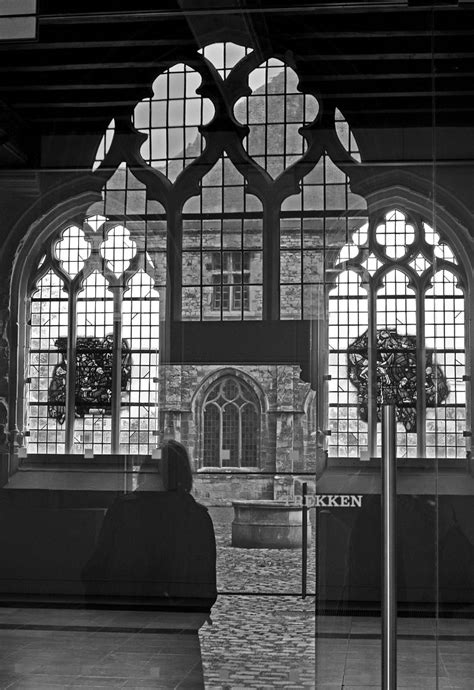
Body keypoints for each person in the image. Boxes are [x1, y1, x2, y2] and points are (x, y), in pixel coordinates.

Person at [82, 441, 217, 611]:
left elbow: (97, 568)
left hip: (123, 614)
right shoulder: (197, 517)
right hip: (177, 619)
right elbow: (205, 586)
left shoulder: (123, 510)